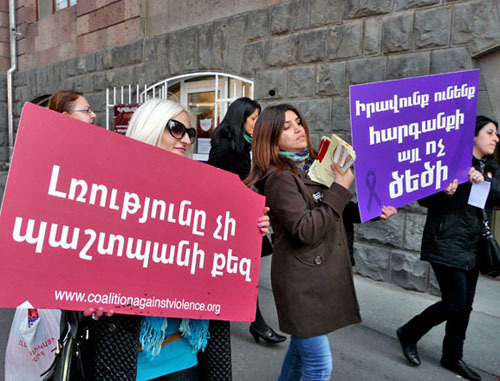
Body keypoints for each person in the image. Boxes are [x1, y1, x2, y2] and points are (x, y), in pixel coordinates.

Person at [82, 98, 270, 381]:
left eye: (190, 133)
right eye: (176, 129)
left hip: (186, 354)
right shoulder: (110, 194)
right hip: (128, 357)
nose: (185, 139)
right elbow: (81, 263)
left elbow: (218, 259)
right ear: (149, 128)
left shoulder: (204, 193)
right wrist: (90, 297)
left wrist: (247, 231)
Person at [245, 103, 394, 380]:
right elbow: (306, 229)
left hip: (319, 275)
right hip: (301, 282)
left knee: (300, 355)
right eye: (286, 127)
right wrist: (340, 186)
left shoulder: (312, 164)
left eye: (298, 122)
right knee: (319, 367)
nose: (298, 129)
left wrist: (374, 211)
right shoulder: (279, 177)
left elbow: (335, 209)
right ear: (271, 137)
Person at [396, 115, 500, 381]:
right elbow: (423, 199)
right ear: (473, 136)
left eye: (496, 134)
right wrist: (446, 191)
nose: (496, 138)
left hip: (474, 245)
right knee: (455, 302)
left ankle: (453, 356)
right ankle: (409, 332)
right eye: (490, 132)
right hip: (445, 241)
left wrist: (483, 183)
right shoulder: (447, 160)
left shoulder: (491, 167)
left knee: (465, 306)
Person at [208, 97, 286, 345]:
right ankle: (257, 324)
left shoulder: (247, 143)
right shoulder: (226, 146)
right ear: (240, 118)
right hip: (228, 220)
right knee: (242, 273)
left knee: (241, 272)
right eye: (254, 118)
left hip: (244, 216)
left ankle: (255, 323)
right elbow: (215, 183)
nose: (257, 122)